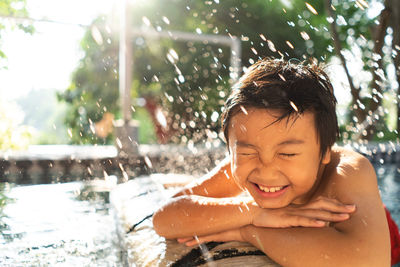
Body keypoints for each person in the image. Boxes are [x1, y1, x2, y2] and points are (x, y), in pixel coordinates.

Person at [152, 58, 392, 266]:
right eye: (247, 153)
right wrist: (252, 211)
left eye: (287, 154)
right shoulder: (243, 167)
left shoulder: (347, 172)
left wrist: (248, 231)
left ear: (324, 152)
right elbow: (165, 218)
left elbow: (367, 261)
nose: (265, 170)